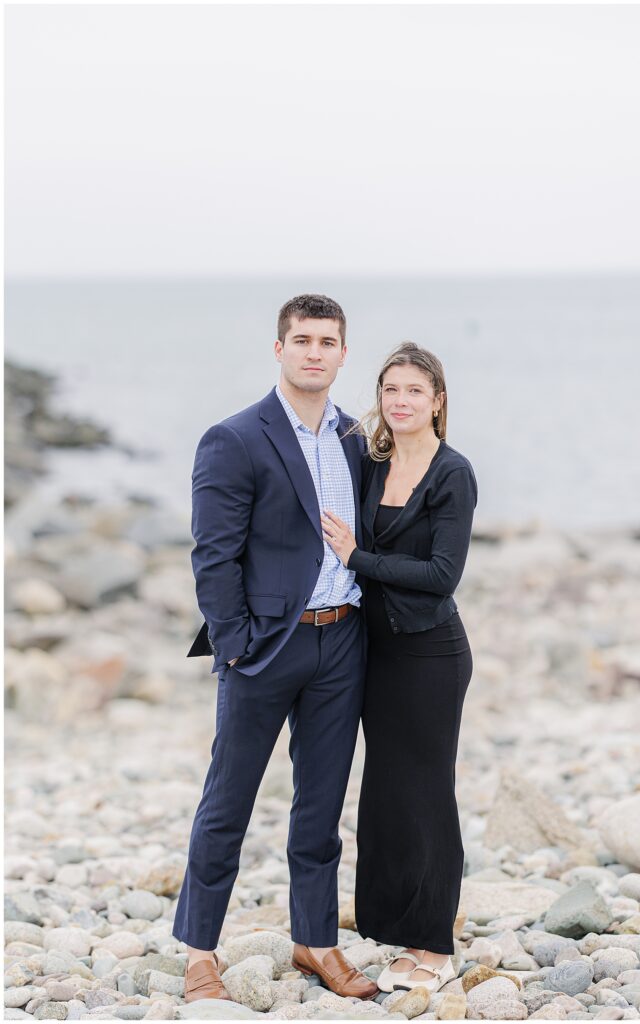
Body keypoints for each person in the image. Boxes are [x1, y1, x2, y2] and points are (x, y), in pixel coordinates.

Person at [172, 294, 378, 1003]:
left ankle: (315, 942)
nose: (314, 352)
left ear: (343, 354)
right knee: (227, 804)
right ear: (279, 349)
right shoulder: (234, 438)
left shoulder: (356, 438)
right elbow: (213, 555)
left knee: (320, 808)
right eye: (302, 340)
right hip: (264, 648)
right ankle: (199, 953)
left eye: (327, 342)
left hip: (341, 640)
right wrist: (235, 647)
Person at [321, 341, 477, 995]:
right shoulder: (372, 462)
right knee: (385, 794)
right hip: (374, 651)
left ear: (437, 401)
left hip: (430, 654)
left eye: (415, 390)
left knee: (426, 793)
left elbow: (442, 575)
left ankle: (434, 945)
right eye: (391, 390)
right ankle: (396, 931)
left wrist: (356, 558)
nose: (401, 401)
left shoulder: (452, 473)